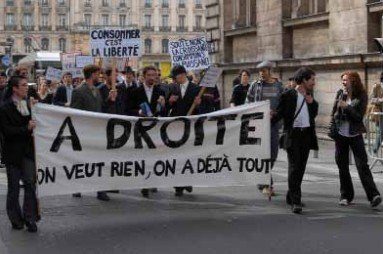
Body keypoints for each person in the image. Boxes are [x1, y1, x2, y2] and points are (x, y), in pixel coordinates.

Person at [330, 71, 381, 208]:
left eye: (345, 80)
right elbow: (334, 111)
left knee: (362, 166)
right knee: (342, 166)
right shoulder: (341, 93)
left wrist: (347, 107)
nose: (343, 82)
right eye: (342, 80)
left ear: (353, 81)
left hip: (355, 135)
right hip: (340, 135)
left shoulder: (361, 96)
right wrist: (333, 124)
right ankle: (346, 195)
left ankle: (373, 195)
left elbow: (359, 117)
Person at [273, 67, 318, 214]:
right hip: (293, 135)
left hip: (306, 135)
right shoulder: (288, 95)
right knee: (294, 167)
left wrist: (311, 103)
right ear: (304, 80)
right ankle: (296, 201)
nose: (314, 83)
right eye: (312, 79)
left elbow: (313, 114)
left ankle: (290, 195)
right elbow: (279, 114)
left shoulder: (309, 94)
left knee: (301, 168)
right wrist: (267, 119)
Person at [0, 75, 38, 232]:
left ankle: (30, 218)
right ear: (15, 88)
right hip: (13, 154)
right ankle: (16, 218)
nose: (26, 87)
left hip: (28, 153)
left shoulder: (30, 104)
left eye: (27, 85)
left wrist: (36, 109)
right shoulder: (5, 108)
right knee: (14, 188)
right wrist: (26, 129)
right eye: (23, 85)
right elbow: (7, 132)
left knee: (30, 185)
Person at [70, 65, 111, 202]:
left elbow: (100, 109)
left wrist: (109, 99)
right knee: (82, 160)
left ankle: (100, 190)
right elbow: (74, 112)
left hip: (97, 131)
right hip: (84, 131)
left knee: (99, 160)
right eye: (97, 73)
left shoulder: (97, 91)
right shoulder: (78, 91)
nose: (99, 76)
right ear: (92, 74)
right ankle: (77, 187)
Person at [246, 61, 284, 196]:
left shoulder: (278, 86)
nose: (261, 73)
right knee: (262, 154)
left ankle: (262, 179)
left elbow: (283, 104)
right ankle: (267, 184)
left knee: (273, 154)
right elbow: (248, 102)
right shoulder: (254, 85)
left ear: (269, 71)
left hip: (273, 125)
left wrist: (276, 114)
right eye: (260, 71)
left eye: (264, 71)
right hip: (258, 124)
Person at [130, 66, 167, 198]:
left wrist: (163, 105)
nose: (152, 77)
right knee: (142, 156)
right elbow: (129, 109)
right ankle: (143, 183)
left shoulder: (161, 91)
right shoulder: (135, 91)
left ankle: (152, 181)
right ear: (144, 76)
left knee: (154, 156)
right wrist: (138, 112)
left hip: (155, 128)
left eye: (154, 75)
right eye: (150, 75)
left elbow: (164, 112)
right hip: (141, 129)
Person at [167, 65, 201, 197]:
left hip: (190, 127)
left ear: (182, 75)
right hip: (176, 127)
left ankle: (187, 181)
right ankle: (178, 185)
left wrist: (199, 103)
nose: (174, 80)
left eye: (175, 77)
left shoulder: (196, 89)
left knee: (188, 156)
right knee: (177, 156)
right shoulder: (173, 88)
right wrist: (170, 102)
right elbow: (167, 108)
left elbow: (203, 111)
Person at [369, 72, 383, 153]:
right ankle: (375, 148)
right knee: (380, 131)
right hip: (379, 113)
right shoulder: (376, 86)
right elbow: (371, 99)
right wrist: (380, 100)